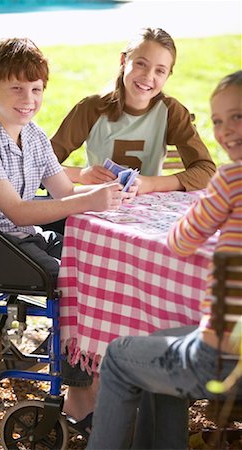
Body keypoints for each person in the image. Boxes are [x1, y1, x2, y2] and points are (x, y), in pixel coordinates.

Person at [0, 37, 136, 433]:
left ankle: (99, 372)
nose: (28, 99)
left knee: (99, 260)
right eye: (16, 88)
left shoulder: (31, 134)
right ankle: (79, 395)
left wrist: (110, 191)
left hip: (17, 236)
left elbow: (64, 191)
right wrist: (88, 202)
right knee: (73, 278)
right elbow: (17, 209)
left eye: (36, 89)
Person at [86, 70, 242, 449]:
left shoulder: (233, 180)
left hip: (222, 355)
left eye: (236, 116)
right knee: (155, 344)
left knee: (121, 358)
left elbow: (182, 240)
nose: (224, 130)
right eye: (218, 121)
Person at [51, 27, 216, 195]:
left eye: (160, 70)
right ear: (123, 61)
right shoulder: (91, 108)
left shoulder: (170, 112)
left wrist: (151, 184)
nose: (148, 76)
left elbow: (206, 170)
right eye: (141, 64)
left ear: (168, 76)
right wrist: (79, 174)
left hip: (147, 212)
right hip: (97, 206)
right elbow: (38, 165)